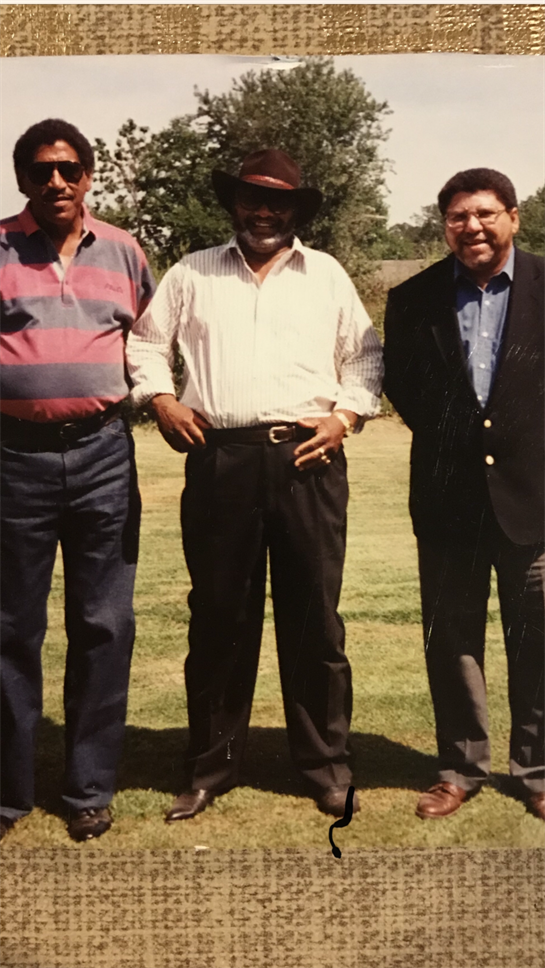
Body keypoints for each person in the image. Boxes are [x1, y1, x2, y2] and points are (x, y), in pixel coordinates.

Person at [127, 148, 383, 819]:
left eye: (277, 202)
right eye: (251, 198)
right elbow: (146, 343)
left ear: (295, 210)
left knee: (315, 624)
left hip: (309, 459)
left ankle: (325, 766)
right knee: (218, 620)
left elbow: (363, 355)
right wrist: (160, 400)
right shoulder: (191, 273)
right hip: (221, 460)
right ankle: (209, 768)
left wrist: (345, 416)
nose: (263, 211)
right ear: (233, 204)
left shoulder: (324, 275)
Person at [0, 119, 155, 843]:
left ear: (89, 174)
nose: (54, 182)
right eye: (39, 171)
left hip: (101, 456)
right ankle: (9, 792)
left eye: (67, 169)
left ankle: (89, 788)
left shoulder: (124, 251)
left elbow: (150, 343)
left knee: (105, 625)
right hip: (12, 460)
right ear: (22, 179)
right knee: (10, 630)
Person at [383, 168, 545, 822]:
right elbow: (407, 390)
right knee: (451, 641)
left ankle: (535, 769)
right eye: (457, 216)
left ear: (512, 217)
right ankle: (458, 767)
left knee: (536, 640)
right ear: (442, 224)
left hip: (533, 500)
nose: (471, 227)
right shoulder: (412, 298)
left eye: (484, 213)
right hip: (448, 502)